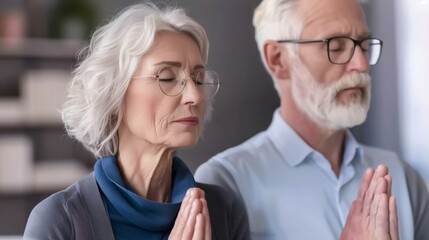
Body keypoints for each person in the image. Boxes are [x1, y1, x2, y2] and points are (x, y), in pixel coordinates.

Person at [195, 0, 429, 239]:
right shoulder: (224, 183)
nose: (360, 64)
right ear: (278, 59)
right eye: (336, 47)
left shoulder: (404, 179)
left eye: (364, 45)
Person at [23, 3, 249, 239]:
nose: (193, 96)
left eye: (199, 79)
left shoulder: (224, 211)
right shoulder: (59, 221)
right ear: (114, 94)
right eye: (168, 77)